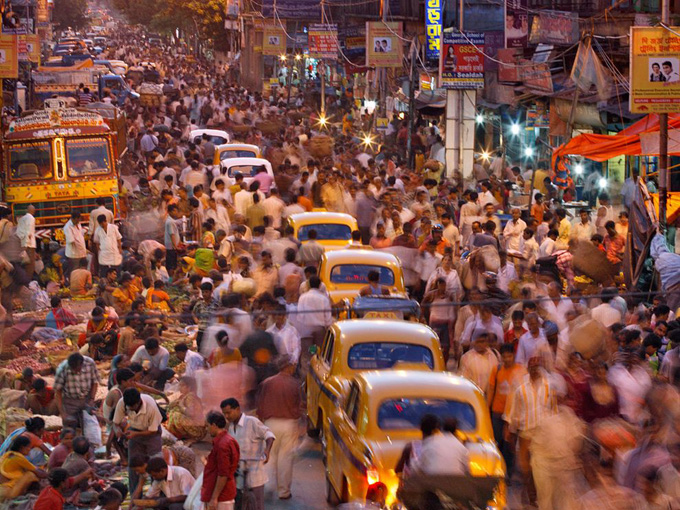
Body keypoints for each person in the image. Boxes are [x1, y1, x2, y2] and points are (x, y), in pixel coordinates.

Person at [256, 358, 301, 500]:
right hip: (289, 424)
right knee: (286, 458)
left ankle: (269, 487)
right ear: (288, 367)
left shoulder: (267, 383)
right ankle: (284, 491)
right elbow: (300, 405)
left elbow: (260, 406)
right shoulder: (295, 384)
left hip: (270, 423)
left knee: (270, 455)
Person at [221, 398, 275, 510]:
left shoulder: (252, 422)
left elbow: (269, 435)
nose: (227, 416)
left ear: (237, 409)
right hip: (238, 475)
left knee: (256, 506)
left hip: (255, 475)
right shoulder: (231, 427)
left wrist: (267, 451)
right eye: (224, 413)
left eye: (228, 412)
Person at [112, 388, 163, 493]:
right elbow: (115, 423)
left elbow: (153, 431)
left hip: (152, 433)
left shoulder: (151, 406)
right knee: (133, 465)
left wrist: (136, 434)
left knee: (156, 464)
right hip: (134, 432)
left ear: (139, 402)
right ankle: (134, 496)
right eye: (128, 407)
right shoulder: (122, 403)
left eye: (133, 406)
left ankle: (159, 494)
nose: (130, 409)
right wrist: (118, 431)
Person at [202, 411, 240, 510]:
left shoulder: (222, 445)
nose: (207, 429)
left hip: (222, 496)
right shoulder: (227, 440)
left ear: (214, 425)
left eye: (207, 426)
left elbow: (223, 474)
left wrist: (214, 498)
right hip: (224, 492)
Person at [54, 353, 99, 429]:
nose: (75, 372)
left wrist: (92, 399)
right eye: (72, 369)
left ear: (82, 364)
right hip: (70, 402)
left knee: (90, 428)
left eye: (77, 369)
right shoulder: (62, 369)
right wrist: (63, 413)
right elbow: (58, 392)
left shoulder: (90, 363)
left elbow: (94, 382)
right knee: (69, 428)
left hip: (86, 399)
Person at [0, 436, 47, 501]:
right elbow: (39, 473)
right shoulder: (18, 458)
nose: (30, 449)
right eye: (29, 447)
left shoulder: (7, 455)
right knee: (30, 475)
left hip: (3, 489)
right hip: (8, 491)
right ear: (22, 448)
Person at [166, 376, 206, 443]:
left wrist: (181, 406)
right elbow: (170, 406)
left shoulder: (190, 396)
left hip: (198, 429)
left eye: (182, 386)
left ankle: (192, 437)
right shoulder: (184, 396)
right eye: (179, 385)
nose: (179, 388)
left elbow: (191, 413)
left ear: (189, 387)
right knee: (173, 411)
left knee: (176, 415)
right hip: (194, 426)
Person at [63, 211, 87, 281]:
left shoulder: (78, 224)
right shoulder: (67, 227)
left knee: (82, 270)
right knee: (74, 271)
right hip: (74, 254)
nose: (78, 221)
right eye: (77, 220)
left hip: (81, 252)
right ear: (73, 219)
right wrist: (80, 248)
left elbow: (80, 235)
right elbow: (72, 241)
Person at [15, 205, 36, 277]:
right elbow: (29, 232)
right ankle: (28, 281)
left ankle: (25, 280)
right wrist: (27, 244)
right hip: (29, 245)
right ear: (33, 211)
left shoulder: (22, 219)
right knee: (30, 265)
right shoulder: (31, 218)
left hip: (23, 244)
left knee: (24, 264)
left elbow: (18, 232)